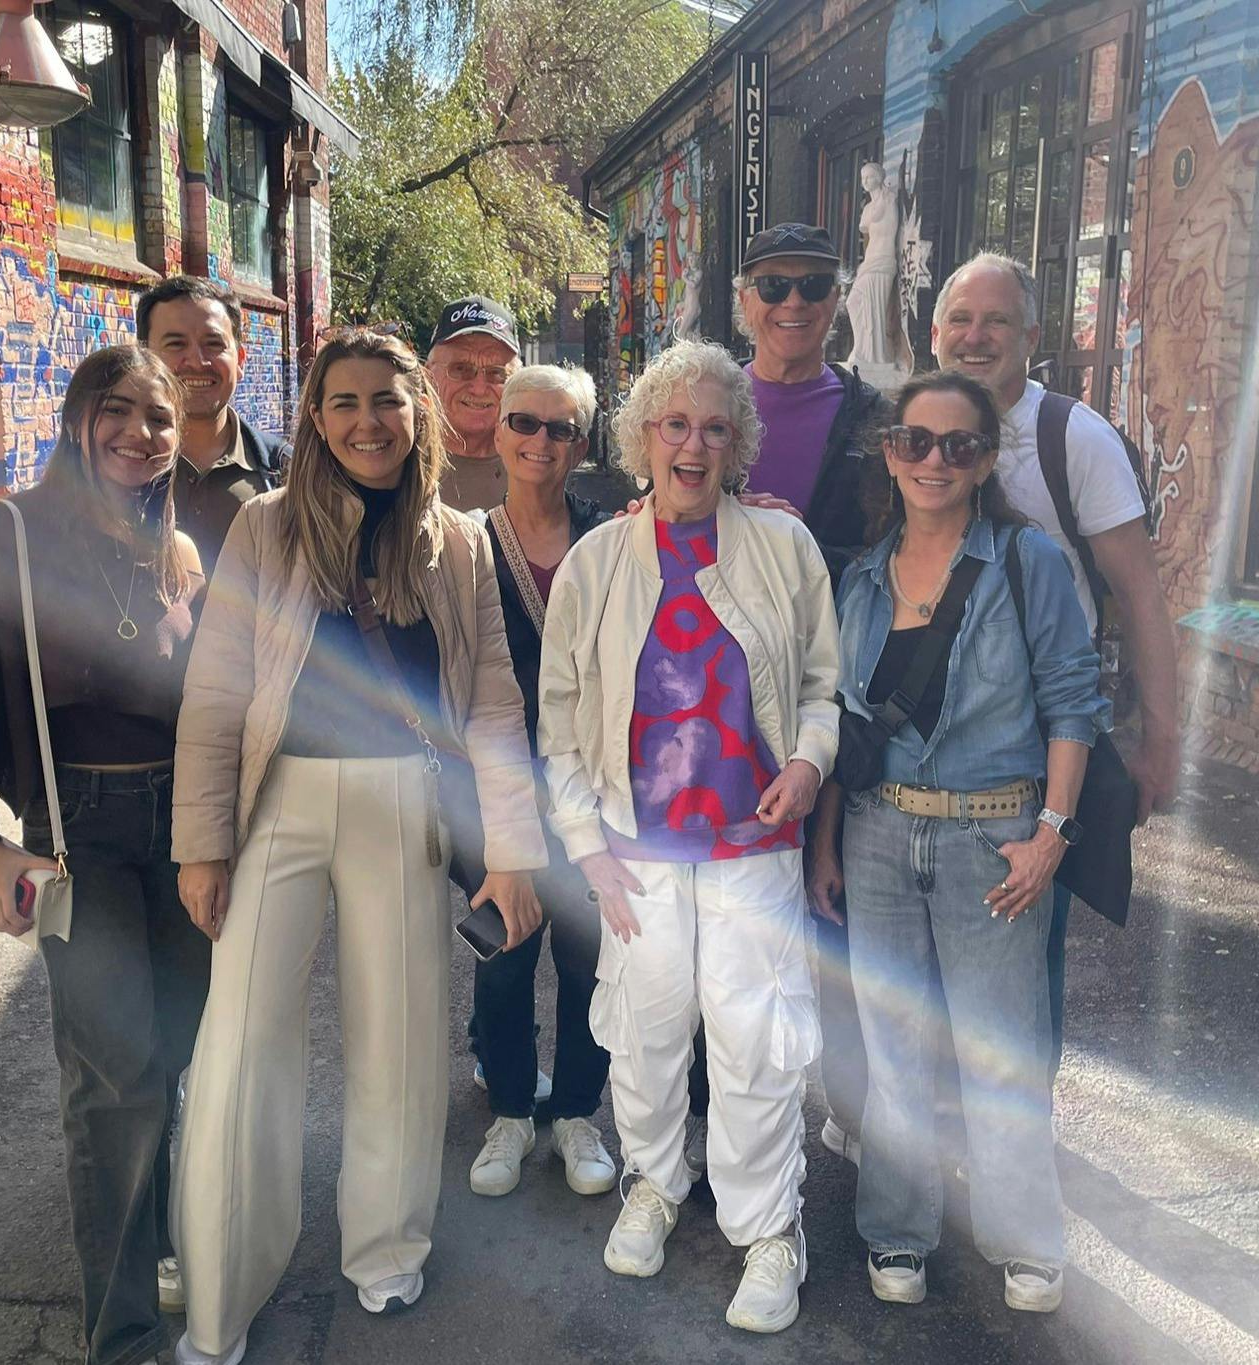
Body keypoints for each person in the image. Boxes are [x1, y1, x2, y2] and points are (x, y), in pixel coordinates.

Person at [167, 326, 547, 1364]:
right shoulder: (267, 526)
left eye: (387, 399)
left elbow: (493, 703)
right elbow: (217, 690)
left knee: (401, 1040)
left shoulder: (458, 541)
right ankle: (220, 1295)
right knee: (240, 1048)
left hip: (403, 799)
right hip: (278, 800)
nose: (367, 420)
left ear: (417, 412)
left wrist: (511, 852)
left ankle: (386, 1249)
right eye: (344, 401)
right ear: (316, 417)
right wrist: (202, 845)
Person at [540, 338, 840, 1334]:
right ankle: (654, 1183)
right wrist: (584, 846)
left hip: (753, 846)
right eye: (675, 424)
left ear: (737, 442)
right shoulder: (595, 562)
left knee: (756, 1043)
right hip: (635, 853)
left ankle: (768, 1230)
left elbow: (820, 687)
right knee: (644, 1030)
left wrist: (808, 762)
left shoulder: (783, 547)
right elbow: (559, 719)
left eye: (715, 427)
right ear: (642, 437)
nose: (694, 445)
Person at [0, 345, 206, 1365]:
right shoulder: (8, 533)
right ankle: (121, 1335)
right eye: (116, 410)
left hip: (183, 827)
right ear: (79, 417)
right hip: (76, 828)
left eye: (158, 418)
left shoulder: (179, 552)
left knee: (174, 1051)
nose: (138, 433)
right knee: (112, 1075)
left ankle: (157, 1241)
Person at [808, 369, 1107, 1313]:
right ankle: (897, 1228)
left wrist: (1052, 832)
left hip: (994, 837)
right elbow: (844, 723)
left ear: (984, 462)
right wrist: (825, 846)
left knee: (999, 1047)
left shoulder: (1028, 562)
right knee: (893, 1048)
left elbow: (1073, 701)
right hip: (878, 832)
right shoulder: (862, 576)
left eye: (958, 444)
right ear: (889, 454)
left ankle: (1025, 1238)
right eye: (916, 441)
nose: (934, 459)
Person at [930, 250, 1181, 1072]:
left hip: (1039, 744)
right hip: (923, 742)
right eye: (961, 320)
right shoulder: (912, 428)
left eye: (996, 321)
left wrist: (1158, 741)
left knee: (1023, 948)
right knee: (926, 962)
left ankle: (1017, 1132)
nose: (976, 337)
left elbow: (1141, 595)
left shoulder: (1072, 438)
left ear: (1032, 337)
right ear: (935, 334)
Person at [714, 221, 892, 1176]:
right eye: (774, 285)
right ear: (744, 300)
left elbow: (908, 540)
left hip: (839, 689)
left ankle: (853, 1113)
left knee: (838, 909)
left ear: (837, 300)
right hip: (715, 698)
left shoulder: (876, 416)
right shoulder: (703, 403)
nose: (793, 304)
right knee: (724, 910)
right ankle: (716, 1117)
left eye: (814, 286)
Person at [465, 364, 618, 1200]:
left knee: (589, 956)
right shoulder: (463, 544)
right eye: (524, 421)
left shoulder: (613, 538)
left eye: (561, 428)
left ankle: (577, 1114)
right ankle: (512, 1111)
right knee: (503, 954)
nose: (540, 440)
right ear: (498, 433)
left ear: (581, 445)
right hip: (496, 790)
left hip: (591, 788)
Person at [135, 275, 291, 569]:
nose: (197, 361)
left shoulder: (284, 472)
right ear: (144, 357)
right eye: (176, 344)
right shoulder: (119, 467)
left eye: (213, 344)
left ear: (240, 359)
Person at [427, 294, 523, 513]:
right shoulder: (398, 462)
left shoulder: (536, 466)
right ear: (428, 375)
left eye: (496, 373)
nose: (479, 388)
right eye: (461, 369)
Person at [843, 164, 913, 387]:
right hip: (870, 262)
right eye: (863, 177)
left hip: (883, 261)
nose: (866, 181)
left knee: (875, 309)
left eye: (870, 176)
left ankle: (877, 357)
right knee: (854, 302)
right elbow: (866, 229)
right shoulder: (868, 208)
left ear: (880, 177)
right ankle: (864, 350)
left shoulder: (889, 200)